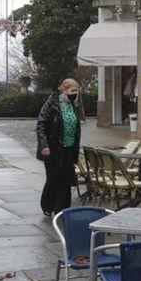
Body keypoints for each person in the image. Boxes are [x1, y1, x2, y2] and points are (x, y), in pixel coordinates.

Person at [36, 78, 84, 217]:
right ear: (64, 90)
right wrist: (44, 145)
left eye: (76, 91)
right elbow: (41, 125)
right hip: (54, 147)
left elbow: (76, 124)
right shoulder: (52, 103)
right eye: (72, 91)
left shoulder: (74, 105)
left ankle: (62, 209)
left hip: (69, 148)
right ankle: (47, 205)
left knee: (66, 179)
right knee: (53, 178)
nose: (75, 93)